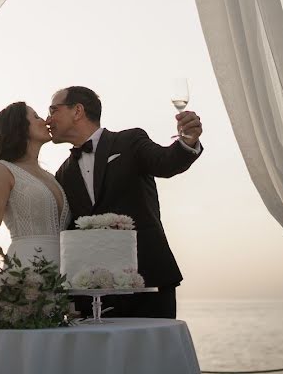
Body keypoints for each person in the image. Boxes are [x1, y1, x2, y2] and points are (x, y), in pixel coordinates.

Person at [47, 86, 203, 318]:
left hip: (149, 279)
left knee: (154, 353)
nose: (48, 119)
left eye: (53, 110)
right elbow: (70, 234)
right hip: (95, 294)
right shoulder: (63, 174)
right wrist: (71, 297)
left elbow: (166, 163)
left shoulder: (129, 141)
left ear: (77, 111)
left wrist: (188, 141)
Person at [0, 101, 70, 265]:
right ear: (19, 127)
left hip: (63, 272)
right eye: (36, 117)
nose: (45, 120)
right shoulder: (2, 169)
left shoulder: (51, 177)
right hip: (27, 269)